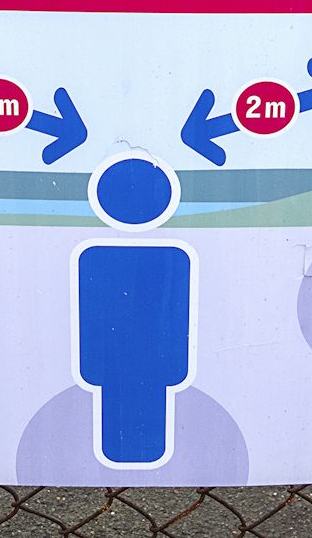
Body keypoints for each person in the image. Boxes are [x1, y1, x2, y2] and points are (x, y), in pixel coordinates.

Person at [75, 154, 193, 466]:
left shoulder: (95, 256)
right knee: (131, 420)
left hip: (125, 363)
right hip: (147, 362)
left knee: (130, 418)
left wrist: (94, 366)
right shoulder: (173, 256)